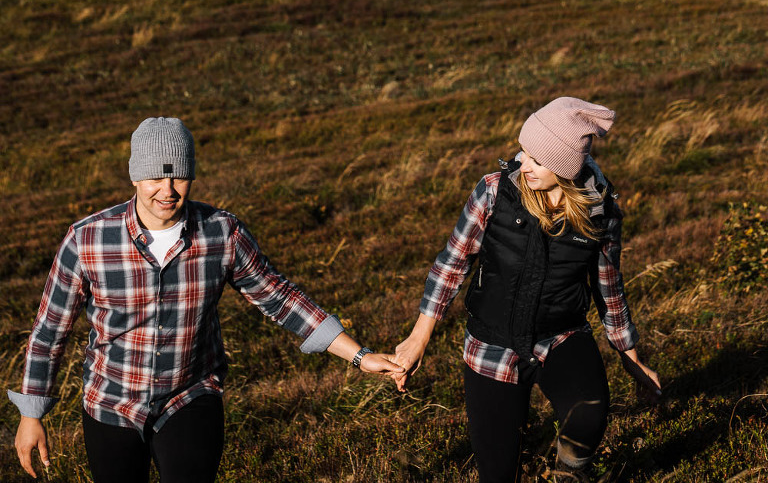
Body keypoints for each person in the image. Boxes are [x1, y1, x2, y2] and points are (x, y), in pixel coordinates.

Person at [8, 117, 404, 482]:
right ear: (134, 177)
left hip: (190, 397)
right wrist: (31, 415)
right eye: (154, 178)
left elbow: (280, 298)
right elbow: (50, 330)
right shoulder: (87, 239)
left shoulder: (221, 233)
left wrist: (359, 355)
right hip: (110, 403)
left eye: (179, 177)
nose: (167, 190)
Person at [392, 98, 662, 481]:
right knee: (499, 472)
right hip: (492, 343)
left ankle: (567, 474)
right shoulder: (493, 192)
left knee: (590, 411)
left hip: (561, 336)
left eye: (538, 158)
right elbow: (451, 265)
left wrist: (631, 358)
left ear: (565, 166)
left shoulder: (599, 213)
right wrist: (418, 339)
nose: (524, 163)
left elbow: (609, 289)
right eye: (524, 151)